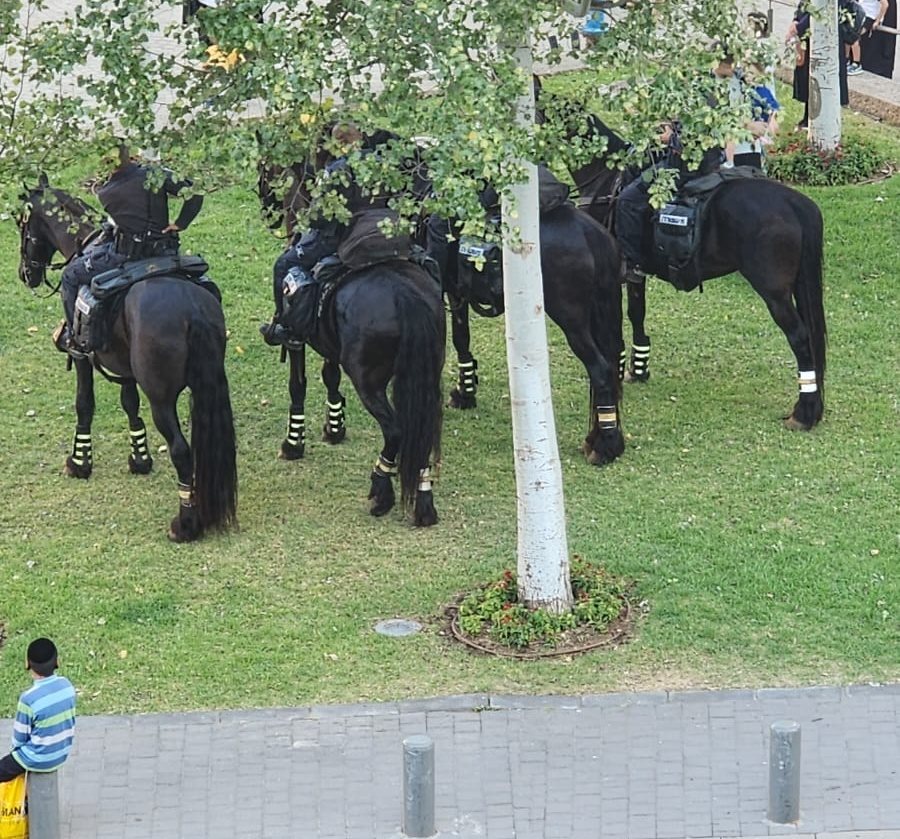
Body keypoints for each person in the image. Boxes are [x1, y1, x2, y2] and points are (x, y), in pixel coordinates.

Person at [55, 145, 204, 354]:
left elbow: (119, 225)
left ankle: (75, 337)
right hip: (164, 251)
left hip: (128, 255)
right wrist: (181, 223)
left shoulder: (107, 193)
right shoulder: (155, 174)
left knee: (70, 275)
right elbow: (194, 193)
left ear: (106, 165)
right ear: (130, 156)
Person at [260, 121, 366, 346]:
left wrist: (307, 217)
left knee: (282, 264)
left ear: (338, 143)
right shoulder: (380, 163)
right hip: (377, 231)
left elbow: (320, 216)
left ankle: (286, 327)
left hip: (336, 237)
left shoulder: (336, 170)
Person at [615, 119, 684, 280]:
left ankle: (633, 264)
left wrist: (671, 137)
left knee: (627, 200)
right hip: (673, 161)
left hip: (675, 166)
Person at [0, 638, 76, 783]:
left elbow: (18, 740)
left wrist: (15, 756)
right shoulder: (67, 686)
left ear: (27, 663)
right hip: (61, 753)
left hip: (38, 758)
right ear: (57, 661)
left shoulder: (28, 699)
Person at [787, 3, 849, 130]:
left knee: (822, 80)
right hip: (809, 38)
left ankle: (824, 122)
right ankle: (808, 117)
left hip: (826, 39)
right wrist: (795, 20)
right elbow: (804, 5)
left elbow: (823, 9)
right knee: (809, 78)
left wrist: (799, 28)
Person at [848, 0, 889, 73]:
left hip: (869, 16)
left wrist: (877, 20)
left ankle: (856, 64)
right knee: (847, 35)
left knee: (854, 36)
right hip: (859, 13)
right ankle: (846, 60)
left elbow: (885, 4)